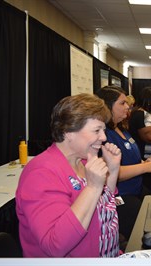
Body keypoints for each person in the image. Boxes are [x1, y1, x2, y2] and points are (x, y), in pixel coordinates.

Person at [16, 93, 121, 257]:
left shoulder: (84, 161)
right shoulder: (41, 173)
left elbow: (105, 206)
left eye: (103, 130)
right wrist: (93, 188)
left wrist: (113, 170)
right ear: (68, 132)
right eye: (96, 130)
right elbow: (55, 244)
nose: (104, 137)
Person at [95, 86, 151, 241]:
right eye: (122, 103)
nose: (127, 106)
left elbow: (129, 159)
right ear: (108, 106)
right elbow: (111, 173)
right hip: (122, 196)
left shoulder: (122, 130)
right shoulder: (103, 136)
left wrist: (143, 162)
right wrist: (144, 167)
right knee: (145, 230)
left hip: (137, 189)